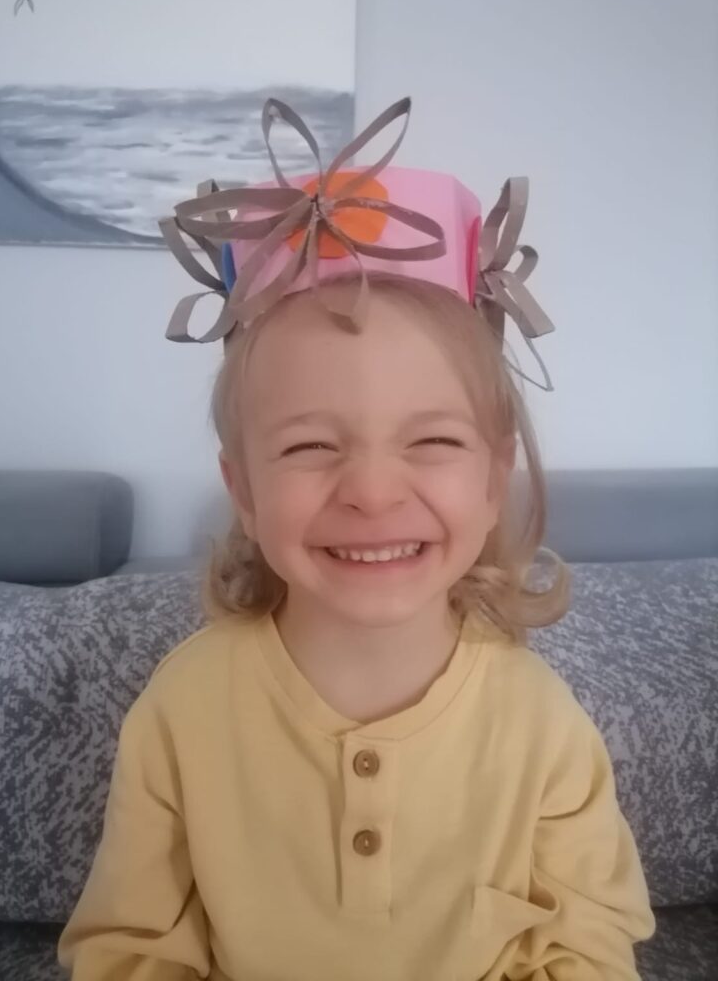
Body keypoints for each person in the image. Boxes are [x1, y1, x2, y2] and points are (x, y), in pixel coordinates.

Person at [58, 97, 655, 980]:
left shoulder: (542, 723)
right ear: (244, 491)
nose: (373, 493)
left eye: (433, 440)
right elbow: (129, 950)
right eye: (309, 447)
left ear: (493, 480)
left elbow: (588, 946)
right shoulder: (181, 712)